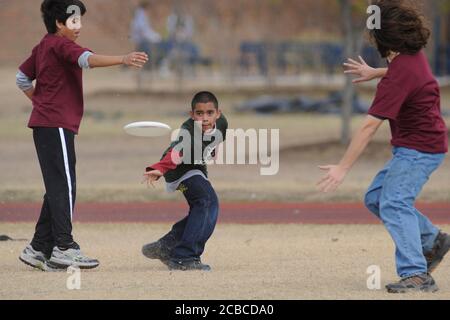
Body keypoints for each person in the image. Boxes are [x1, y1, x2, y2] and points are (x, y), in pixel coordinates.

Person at [318, 0, 449, 293]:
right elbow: (405, 74)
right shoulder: (410, 58)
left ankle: (417, 274)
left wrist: (343, 167)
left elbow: (368, 127)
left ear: (383, 39)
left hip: (420, 149)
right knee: (377, 197)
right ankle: (432, 240)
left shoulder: (398, 75)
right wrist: (375, 72)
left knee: (394, 202)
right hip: (419, 146)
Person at [16, 0, 148, 271]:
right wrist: (122, 59)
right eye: (74, 21)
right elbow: (86, 60)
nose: (79, 27)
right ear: (59, 23)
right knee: (64, 187)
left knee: (58, 187)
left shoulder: (43, 45)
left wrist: (40, 104)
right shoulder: (61, 45)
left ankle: (39, 248)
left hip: (48, 125)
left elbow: (21, 78)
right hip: (55, 126)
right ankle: (64, 247)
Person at [141, 92, 228, 271]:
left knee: (206, 206)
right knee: (206, 201)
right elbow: (177, 152)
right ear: (192, 114)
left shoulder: (222, 124)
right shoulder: (187, 131)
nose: (204, 118)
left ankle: (166, 245)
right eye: (199, 113)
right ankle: (184, 257)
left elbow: (216, 139)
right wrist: (160, 168)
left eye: (209, 113)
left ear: (218, 113)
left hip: (196, 169)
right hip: (178, 171)